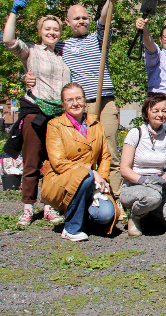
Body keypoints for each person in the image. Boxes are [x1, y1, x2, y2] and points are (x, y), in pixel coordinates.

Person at [25, 0, 124, 204]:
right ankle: (83, 196)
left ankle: (114, 197)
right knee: (82, 152)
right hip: (79, 105)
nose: (81, 21)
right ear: (67, 22)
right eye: (76, 18)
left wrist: (110, 0)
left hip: (104, 101)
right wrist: (26, 76)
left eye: (84, 17)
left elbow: (104, 18)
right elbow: (40, 61)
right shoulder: (61, 46)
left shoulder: (98, 38)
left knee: (110, 150)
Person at [3, 0, 71, 226]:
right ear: (40, 31)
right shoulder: (31, 51)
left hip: (58, 115)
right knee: (32, 161)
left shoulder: (62, 55)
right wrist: (14, 12)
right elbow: (8, 40)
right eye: (47, 29)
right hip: (36, 110)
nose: (52, 32)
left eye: (56, 29)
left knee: (53, 162)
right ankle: (28, 208)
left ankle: (50, 206)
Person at [42, 83, 118, 241]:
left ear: (85, 101)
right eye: (69, 100)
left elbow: (105, 156)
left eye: (78, 99)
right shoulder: (55, 125)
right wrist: (92, 172)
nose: (75, 103)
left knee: (105, 216)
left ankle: (82, 216)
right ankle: (71, 228)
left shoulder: (96, 124)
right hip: (63, 181)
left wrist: (102, 177)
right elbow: (58, 163)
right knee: (85, 176)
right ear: (63, 104)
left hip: (92, 182)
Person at [119, 93, 166, 236]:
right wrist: (143, 181)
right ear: (146, 112)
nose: (161, 114)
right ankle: (136, 216)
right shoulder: (135, 134)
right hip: (134, 186)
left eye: (164, 111)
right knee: (152, 197)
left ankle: (151, 214)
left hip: (159, 187)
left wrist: (162, 180)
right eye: (155, 111)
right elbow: (124, 169)